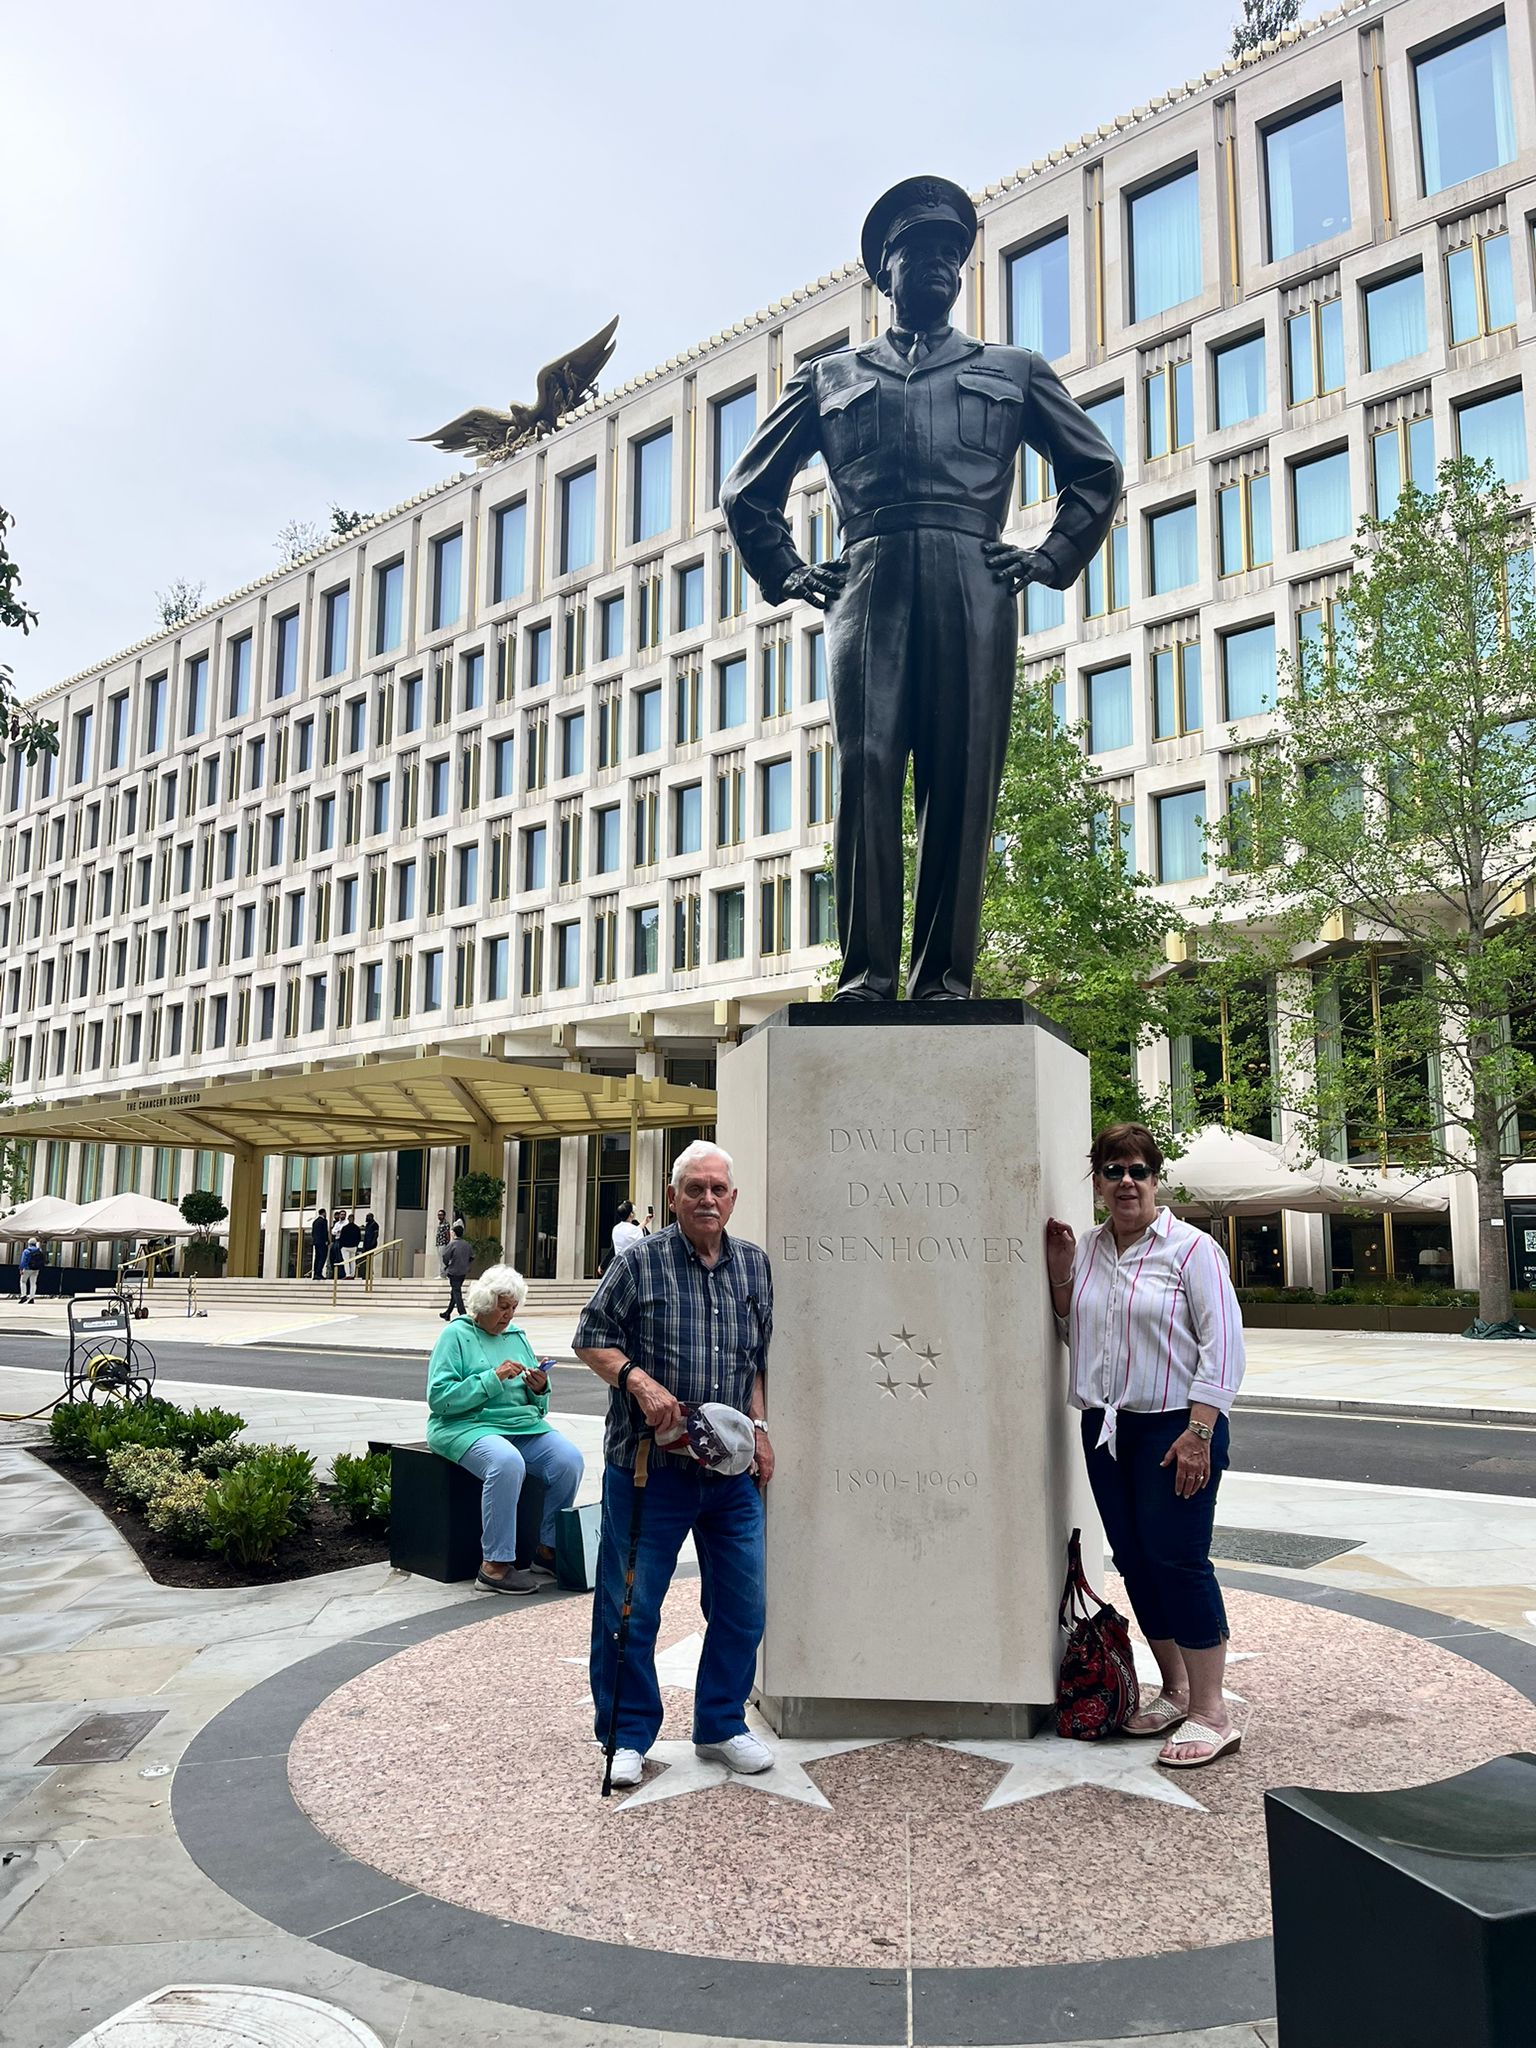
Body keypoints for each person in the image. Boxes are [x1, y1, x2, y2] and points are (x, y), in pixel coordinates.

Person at [722, 175, 1120, 1003]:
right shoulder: (829, 378)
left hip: (975, 577)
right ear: (886, 272)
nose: (940, 265)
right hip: (868, 579)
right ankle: (866, 976)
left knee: (962, 775)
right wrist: (789, 570)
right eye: (921, 252)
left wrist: (1050, 556)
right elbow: (747, 491)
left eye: (952, 255)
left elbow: (1096, 470)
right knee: (866, 770)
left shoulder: (1014, 370)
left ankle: (943, 979)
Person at [575, 1140, 774, 1791]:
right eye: (695, 1189)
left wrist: (760, 1430)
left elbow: (756, 1362)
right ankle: (627, 1735)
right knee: (629, 1609)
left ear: (733, 1199)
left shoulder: (754, 1266)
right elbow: (590, 1337)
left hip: (729, 1476)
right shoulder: (640, 1263)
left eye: (718, 1189)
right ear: (672, 1197)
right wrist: (637, 1381)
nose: (707, 1199)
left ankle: (719, 1724)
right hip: (647, 1472)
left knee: (743, 1606)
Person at [1046, 1123, 1246, 1769]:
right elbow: (1076, 1333)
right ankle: (1176, 1688)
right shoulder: (1089, 1249)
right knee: (1134, 1559)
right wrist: (1060, 1276)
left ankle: (1212, 1713)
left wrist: (1200, 1432)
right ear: (1098, 1183)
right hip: (1106, 1428)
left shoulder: (1193, 1251)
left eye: (1138, 1170)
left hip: (1176, 1428)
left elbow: (1223, 1347)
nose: (1126, 1182)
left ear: (1156, 1179)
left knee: (1179, 1560)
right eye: (1113, 1171)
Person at [426, 1263, 585, 1595]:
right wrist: (493, 1378)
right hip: (466, 1425)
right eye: (502, 1307)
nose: (509, 1315)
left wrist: (539, 1387)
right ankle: (494, 1566)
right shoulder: (455, 1335)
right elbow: (439, 1399)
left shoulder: (516, 1336)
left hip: (521, 1424)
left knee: (569, 1460)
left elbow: (539, 1405)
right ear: (484, 1303)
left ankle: (548, 1550)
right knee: (506, 1462)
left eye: (513, 1307)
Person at [440, 1222, 474, 1321]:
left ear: (454, 1233)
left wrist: (447, 1265)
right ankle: (447, 1313)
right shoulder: (467, 1244)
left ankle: (462, 1313)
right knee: (454, 1292)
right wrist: (466, 1264)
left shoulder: (452, 1244)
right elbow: (472, 1256)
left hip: (454, 1271)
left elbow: (445, 1256)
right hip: (463, 1271)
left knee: (456, 1292)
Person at [18, 1237, 44, 1302]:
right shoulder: (39, 1251)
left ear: (29, 1243)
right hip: (36, 1269)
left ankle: (23, 1296)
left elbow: (23, 1261)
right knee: (33, 1283)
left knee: (23, 1281)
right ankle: (31, 1298)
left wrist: (21, 1268)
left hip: (27, 1268)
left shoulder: (26, 1251)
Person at [338, 1211, 362, 1278]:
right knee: (353, 1261)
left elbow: (341, 1238)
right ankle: (352, 1274)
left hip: (345, 1247)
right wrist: (356, 1245)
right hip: (353, 1247)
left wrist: (341, 1246)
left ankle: (347, 1274)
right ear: (354, 1219)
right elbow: (359, 1238)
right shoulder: (357, 1228)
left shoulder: (345, 1228)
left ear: (348, 1219)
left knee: (346, 1261)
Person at [309, 1209, 331, 1282]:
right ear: (324, 1213)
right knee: (322, 1257)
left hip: (316, 1242)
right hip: (322, 1242)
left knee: (317, 1258)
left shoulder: (315, 1221)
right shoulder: (324, 1221)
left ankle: (315, 1273)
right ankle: (319, 1273)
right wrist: (327, 1240)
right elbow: (325, 1231)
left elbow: (313, 1233)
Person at [434, 1209, 452, 1276]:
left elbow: (447, 1234)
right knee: (440, 1259)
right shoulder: (440, 1224)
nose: (439, 1216)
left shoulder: (446, 1224)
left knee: (443, 1259)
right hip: (439, 1243)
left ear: (444, 1215)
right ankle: (442, 1273)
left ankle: (443, 1274)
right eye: (438, 1215)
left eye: (441, 1215)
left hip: (443, 1243)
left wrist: (448, 1243)